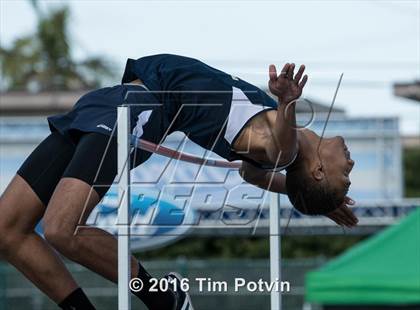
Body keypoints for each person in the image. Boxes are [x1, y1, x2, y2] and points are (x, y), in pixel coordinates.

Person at [0, 54, 357, 310]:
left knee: (63, 229)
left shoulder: (279, 145)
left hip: (138, 108)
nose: (351, 163)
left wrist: (287, 103)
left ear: (319, 171)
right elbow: (251, 174)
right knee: (7, 229)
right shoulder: (272, 151)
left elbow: (281, 150)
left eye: (346, 174)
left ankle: (163, 296)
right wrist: (315, 199)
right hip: (109, 101)